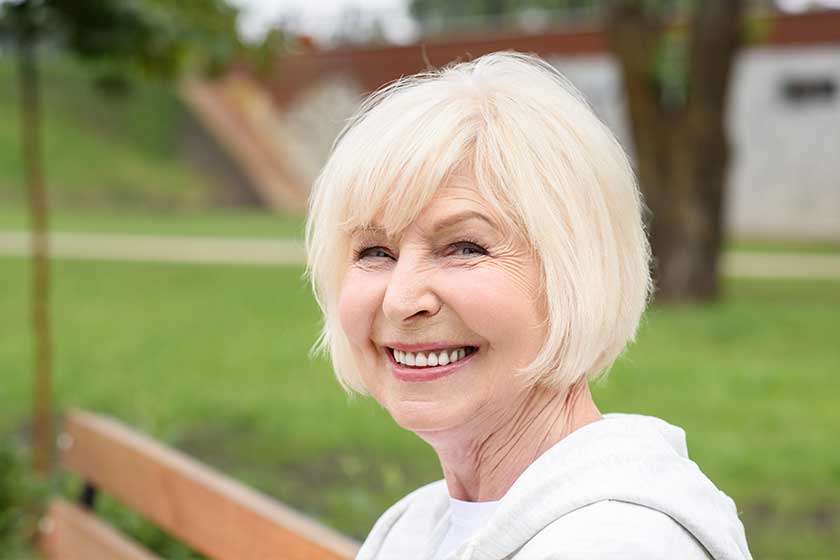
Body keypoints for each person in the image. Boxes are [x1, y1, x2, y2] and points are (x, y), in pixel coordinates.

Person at [305, 52, 752, 560]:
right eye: (374, 252)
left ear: (577, 275)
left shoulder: (621, 545)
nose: (403, 299)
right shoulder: (415, 527)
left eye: (465, 247)